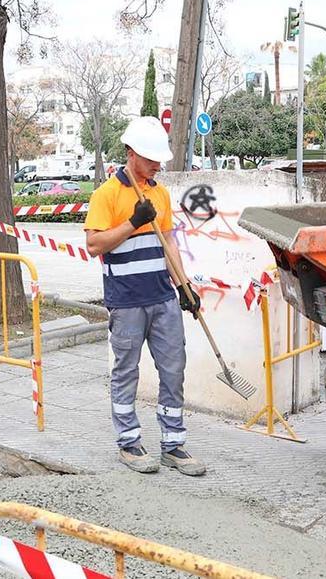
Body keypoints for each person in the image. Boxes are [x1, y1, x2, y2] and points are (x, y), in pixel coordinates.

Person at [83, 116, 206, 477]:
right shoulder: (106, 194)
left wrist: (184, 286)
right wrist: (132, 223)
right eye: (150, 157)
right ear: (131, 153)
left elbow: (169, 243)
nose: (157, 164)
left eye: (159, 158)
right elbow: (93, 245)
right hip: (126, 302)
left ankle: (173, 444)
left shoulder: (160, 193)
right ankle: (128, 442)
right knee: (126, 372)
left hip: (162, 297)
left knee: (173, 369)